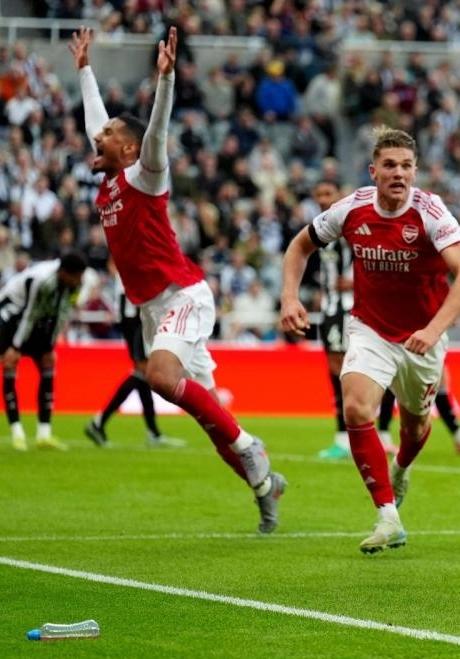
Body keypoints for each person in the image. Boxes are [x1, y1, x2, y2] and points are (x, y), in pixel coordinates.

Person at [71, 26, 286, 533]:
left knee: (161, 378)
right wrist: (84, 69)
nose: (94, 140)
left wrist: (164, 83)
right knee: (210, 421)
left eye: (105, 139)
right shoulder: (110, 178)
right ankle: (265, 485)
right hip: (150, 308)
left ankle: (249, 447)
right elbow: (98, 123)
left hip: (182, 295)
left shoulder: (145, 175)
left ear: (127, 149)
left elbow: (155, 135)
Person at [279, 127, 460, 555]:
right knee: (355, 406)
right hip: (369, 329)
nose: (399, 173)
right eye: (390, 165)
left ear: (416, 171)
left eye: (407, 166)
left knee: (415, 427)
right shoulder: (351, 209)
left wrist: (433, 330)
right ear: (373, 171)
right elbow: (299, 247)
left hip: (422, 338)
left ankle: (402, 468)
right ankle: (388, 515)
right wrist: (290, 298)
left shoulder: (431, 212)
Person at [0, 249, 90, 451]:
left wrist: (50, 346)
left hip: (38, 318)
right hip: (11, 312)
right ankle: (17, 433)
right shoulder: (42, 280)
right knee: (9, 364)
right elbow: (29, 313)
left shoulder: (76, 284)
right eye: (77, 277)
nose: (79, 281)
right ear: (65, 273)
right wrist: (16, 347)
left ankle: (43, 434)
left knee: (48, 362)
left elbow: (62, 314)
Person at [84, 273, 187, 449]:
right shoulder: (135, 261)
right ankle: (99, 422)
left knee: (144, 376)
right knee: (142, 371)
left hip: (135, 318)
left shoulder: (132, 260)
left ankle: (152, 432)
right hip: (136, 320)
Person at [310, 178, 356, 460]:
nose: (323, 198)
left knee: (343, 373)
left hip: (346, 308)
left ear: (339, 195)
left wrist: (353, 284)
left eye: (328, 193)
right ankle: (347, 436)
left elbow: (367, 256)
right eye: (319, 193)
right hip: (329, 308)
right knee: (334, 372)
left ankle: (349, 437)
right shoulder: (321, 228)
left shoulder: (347, 227)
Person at [375, 366, 460, 456]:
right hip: (409, 339)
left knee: (436, 379)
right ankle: (384, 439)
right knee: (394, 377)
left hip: (423, 340)